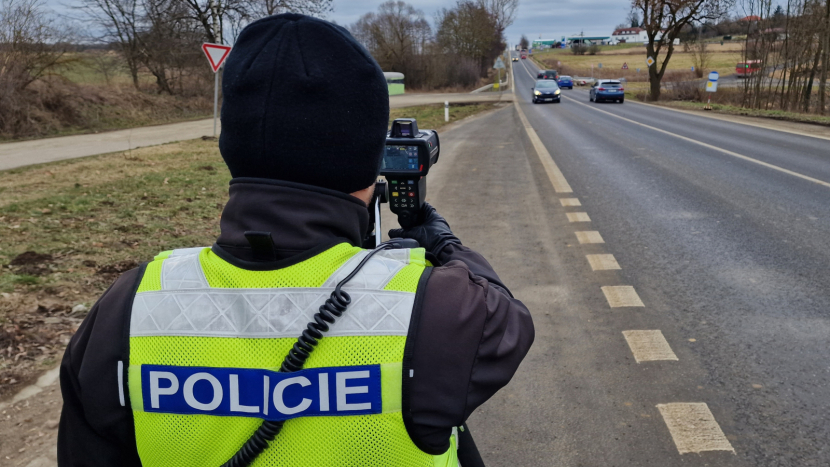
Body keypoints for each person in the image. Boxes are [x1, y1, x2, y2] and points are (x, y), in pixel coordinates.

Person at [58, 13, 534, 467]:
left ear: (233, 148)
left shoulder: (128, 308)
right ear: (369, 165)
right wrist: (444, 243)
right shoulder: (438, 309)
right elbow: (507, 320)